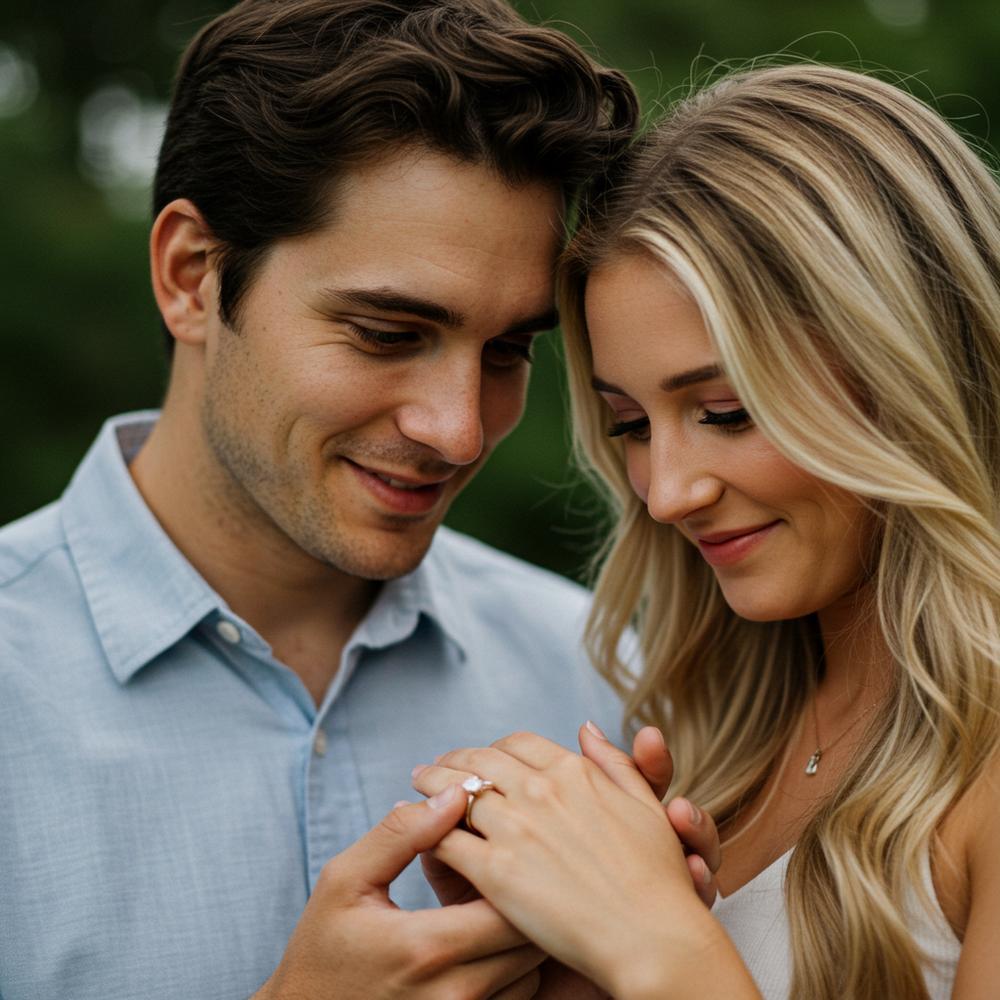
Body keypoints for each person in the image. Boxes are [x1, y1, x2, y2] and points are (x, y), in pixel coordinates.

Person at [0, 2, 721, 998]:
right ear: (191, 276)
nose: (458, 431)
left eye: (509, 349)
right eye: (388, 332)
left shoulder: (604, 681)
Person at [411, 62, 1000, 999]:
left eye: (725, 411)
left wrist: (658, 951)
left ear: (910, 371)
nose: (666, 495)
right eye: (633, 427)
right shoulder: (711, 744)